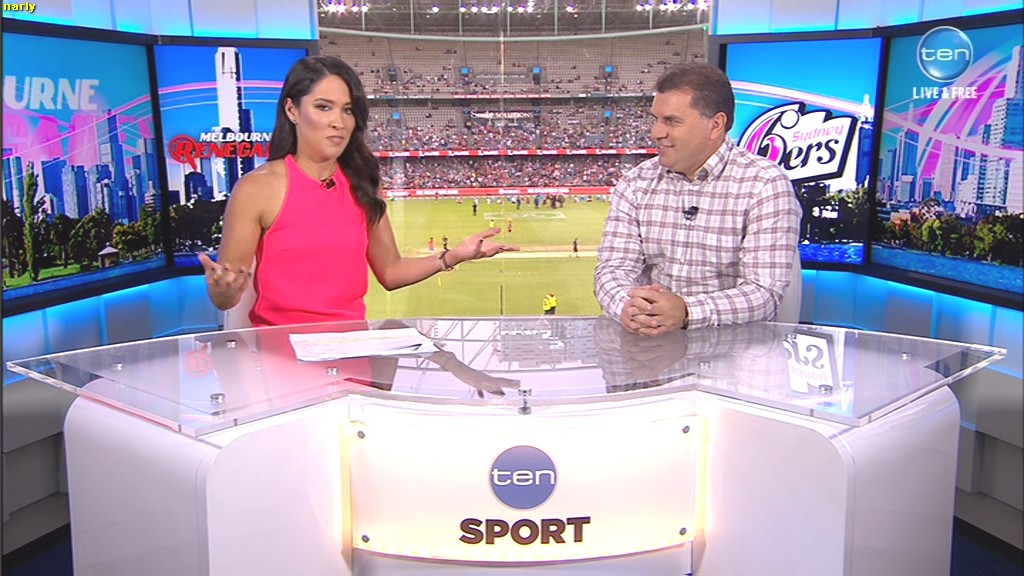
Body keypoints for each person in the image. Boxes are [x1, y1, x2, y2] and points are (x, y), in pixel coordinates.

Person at [198, 55, 516, 327]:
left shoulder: (364, 184)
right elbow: (227, 297)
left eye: (348, 110)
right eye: (324, 107)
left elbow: (390, 272)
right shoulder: (256, 188)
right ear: (292, 110)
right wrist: (223, 290)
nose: (338, 122)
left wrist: (454, 256)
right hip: (281, 357)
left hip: (352, 351)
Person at [594, 62, 800, 337]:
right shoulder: (636, 183)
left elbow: (764, 293)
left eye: (672, 121)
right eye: (656, 119)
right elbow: (613, 269)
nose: (656, 133)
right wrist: (628, 307)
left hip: (734, 352)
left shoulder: (765, 185)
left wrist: (686, 312)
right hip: (651, 347)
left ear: (716, 125)